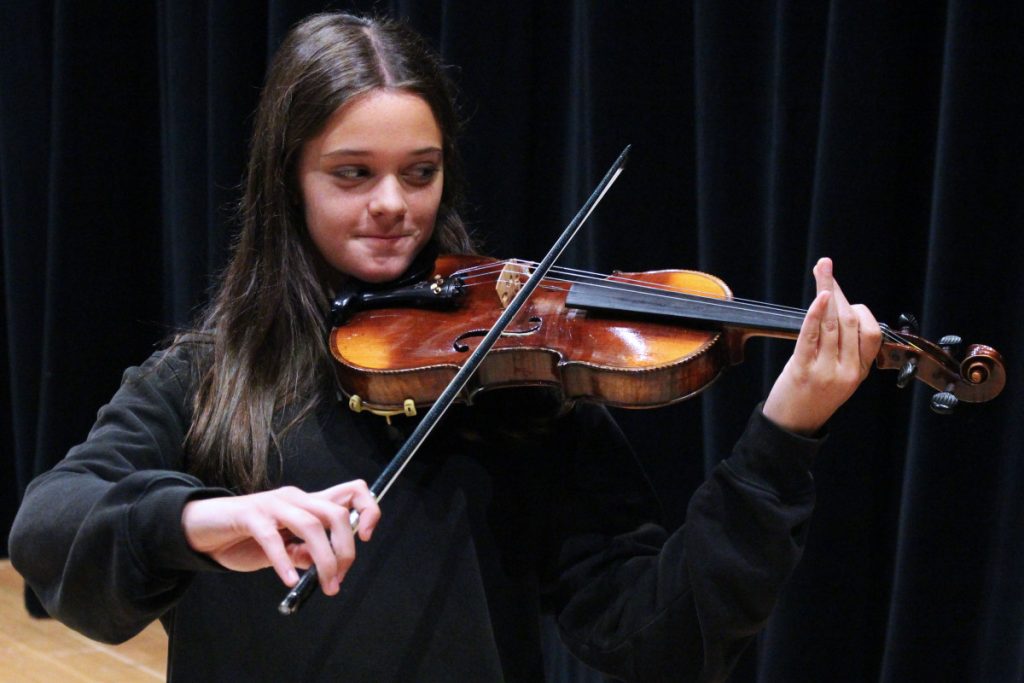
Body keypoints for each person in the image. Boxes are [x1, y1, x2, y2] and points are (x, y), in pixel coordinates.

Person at [9, 12, 882, 683]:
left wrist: (781, 436)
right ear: (290, 181)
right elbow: (46, 528)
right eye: (353, 173)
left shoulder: (513, 384)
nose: (393, 202)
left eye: (419, 172)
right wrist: (203, 519)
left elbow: (656, 635)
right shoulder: (208, 375)